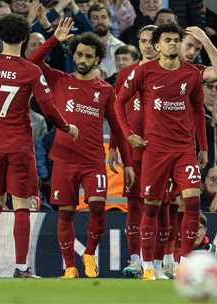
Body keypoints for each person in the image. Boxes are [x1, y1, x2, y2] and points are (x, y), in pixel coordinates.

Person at [0, 13, 78, 278]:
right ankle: (21, 267)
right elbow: (47, 107)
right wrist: (67, 126)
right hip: (20, 147)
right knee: (22, 204)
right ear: (24, 38)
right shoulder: (30, 71)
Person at [29, 18, 133, 279]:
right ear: (74, 55)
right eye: (79, 54)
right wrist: (54, 40)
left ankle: (88, 254)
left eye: (88, 55)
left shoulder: (106, 91)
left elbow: (118, 127)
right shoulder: (59, 80)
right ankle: (70, 267)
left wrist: (125, 160)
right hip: (63, 159)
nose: (82, 59)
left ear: (97, 59)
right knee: (65, 213)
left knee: (97, 206)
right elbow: (32, 64)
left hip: (92, 160)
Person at [115, 23, 207, 280]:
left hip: (184, 149)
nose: (173, 44)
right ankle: (147, 266)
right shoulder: (144, 72)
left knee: (192, 200)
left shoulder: (191, 74)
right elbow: (119, 102)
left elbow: (199, 111)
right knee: (152, 207)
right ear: (157, 46)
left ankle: (184, 263)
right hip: (155, 150)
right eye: (167, 40)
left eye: (176, 40)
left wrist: (204, 145)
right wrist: (128, 135)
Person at [108, 25, 158, 279]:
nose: (147, 45)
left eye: (151, 41)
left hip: (161, 150)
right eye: (143, 40)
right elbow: (118, 113)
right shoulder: (126, 74)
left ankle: (161, 261)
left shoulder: (171, 73)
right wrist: (115, 146)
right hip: (133, 150)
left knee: (160, 205)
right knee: (135, 204)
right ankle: (136, 259)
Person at [88, 3, 125, 78]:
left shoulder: (120, 47)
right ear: (89, 21)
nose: (100, 21)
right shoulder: (82, 47)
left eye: (103, 17)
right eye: (95, 18)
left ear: (110, 21)